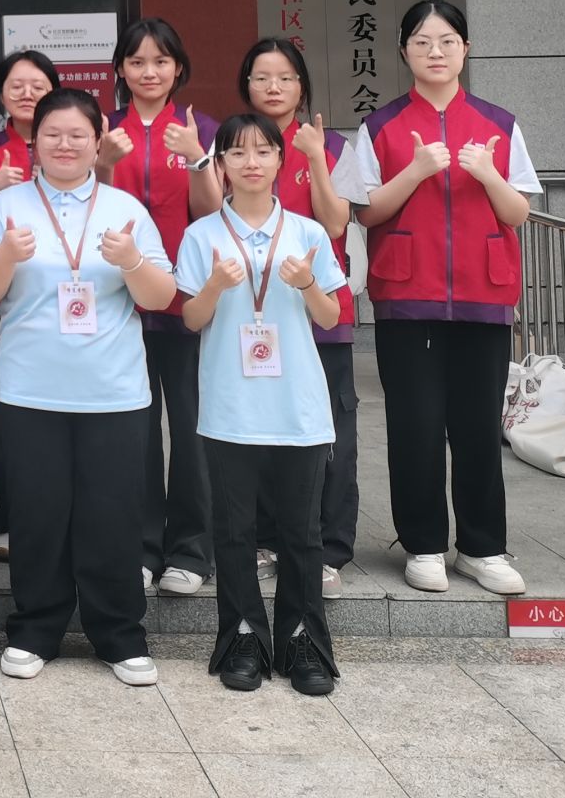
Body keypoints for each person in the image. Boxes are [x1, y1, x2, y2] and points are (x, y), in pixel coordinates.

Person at [334, 0, 542, 597]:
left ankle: (483, 547)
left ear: (465, 50)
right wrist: (418, 170)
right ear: (404, 51)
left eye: (448, 41)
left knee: (477, 428)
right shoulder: (381, 126)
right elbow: (365, 211)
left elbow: (518, 212)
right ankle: (423, 544)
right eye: (422, 42)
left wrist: (488, 174)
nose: (436, 52)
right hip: (408, 297)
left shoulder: (499, 124)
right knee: (415, 426)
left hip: (483, 295)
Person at [0, 88, 174, 688]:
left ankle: (120, 634)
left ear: (97, 140)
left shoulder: (124, 208)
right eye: (52, 134)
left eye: (77, 135)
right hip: (29, 388)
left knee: (112, 514)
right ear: (33, 141)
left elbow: (161, 297)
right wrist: (6, 254)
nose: (64, 145)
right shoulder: (7, 205)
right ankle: (35, 629)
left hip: (112, 389)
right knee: (37, 513)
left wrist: (132, 260)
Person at [177, 113, 346, 697]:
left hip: (297, 405)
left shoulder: (307, 232)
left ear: (280, 160)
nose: (251, 162)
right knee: (234, 531)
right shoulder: (202, 235)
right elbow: (190, 319)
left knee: (302, 532)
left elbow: (333, 317)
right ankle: (243, 638)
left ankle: (303, 640)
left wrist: (307, 284)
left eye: (263, 151)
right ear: (220, 164)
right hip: (230, 405)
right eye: (237, 152)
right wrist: (214, 287)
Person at [101, 17, 219, 596]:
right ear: (121, 70)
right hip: (118, 300)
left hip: (188, 298)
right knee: (135, 430)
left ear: (178, 68)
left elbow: (213, 213)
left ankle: (192, 551)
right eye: (137, 62)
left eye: (161, 61)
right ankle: (141, 547)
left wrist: (197, 158)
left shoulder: (202, 129)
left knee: (193, 427)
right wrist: (103, 160)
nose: (149, 72)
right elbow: (89, 204)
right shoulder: (103, 128)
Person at [240, 38, 356, 598]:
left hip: (318, 311)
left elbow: (336, 224)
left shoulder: (331, 146)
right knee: (262, 429)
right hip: (255, 316)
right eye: (262, 77)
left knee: (329, 435)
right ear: (246, 86)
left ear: (302, 85)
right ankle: (267, 540)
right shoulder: (237, 143)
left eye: (285, 77)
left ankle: (327, 548)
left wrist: (312, 157)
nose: (274, 87)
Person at [0, 49, 59, 562]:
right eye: (16, 85)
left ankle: (56, 512)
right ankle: (9, 516)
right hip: (0, 306)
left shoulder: (68, 144)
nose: (27, 94)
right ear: (1, 94)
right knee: (4, 414)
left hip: (62, 304)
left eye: (38, 85)